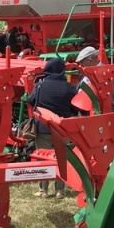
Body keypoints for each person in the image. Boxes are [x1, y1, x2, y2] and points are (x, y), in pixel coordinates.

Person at [27, 57, 79, 199]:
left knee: (43, 160)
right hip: (63, 129)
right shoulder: (70, 88)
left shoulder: (40, 86)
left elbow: (30, 101)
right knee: (61, 160)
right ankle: (59, 191)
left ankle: (43, 190)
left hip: (43, 129)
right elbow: (75, 109)